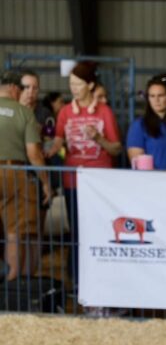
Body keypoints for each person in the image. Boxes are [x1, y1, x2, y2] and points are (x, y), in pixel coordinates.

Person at [48, 61, 122, 294]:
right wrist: (48, 148)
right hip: (73, 181)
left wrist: (98, 138)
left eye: (78, 84)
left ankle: (102, 279)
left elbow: (116, 148)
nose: (74, 89)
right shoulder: (65, 112)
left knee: (101, 229)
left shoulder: (104, 112)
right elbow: (58, 141)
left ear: (90, 85)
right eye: (71, 84)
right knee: (76, 230)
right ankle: (77, 280)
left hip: (100, 181)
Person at [0, 70, 51, 280]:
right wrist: (46, 183)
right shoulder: (24, 113)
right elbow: (34, 155)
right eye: (21, 88)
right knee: (14, 229)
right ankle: (12, 286)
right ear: (14, 88)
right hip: (12, 172)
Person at [126, 75, 166, 171]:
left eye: (161, 95)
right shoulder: (139, 126)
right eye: (152, 96)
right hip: (152, 178)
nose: (156, 100)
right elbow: (138, 164)